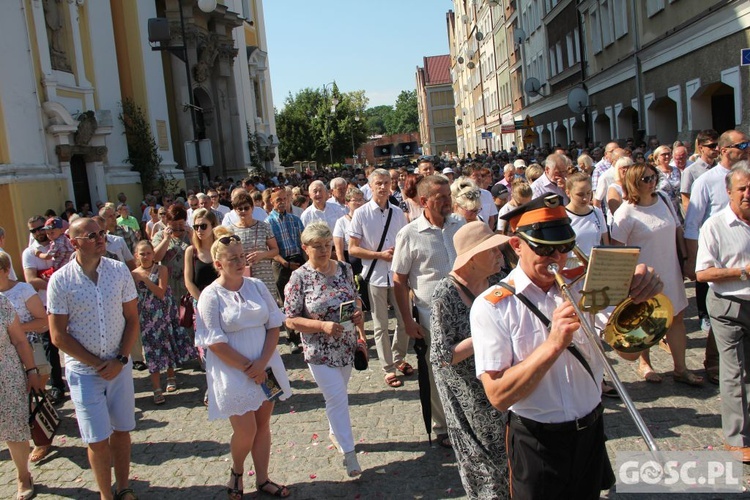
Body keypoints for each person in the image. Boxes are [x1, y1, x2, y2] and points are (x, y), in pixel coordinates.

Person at [471, 194, 663, 499]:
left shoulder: (584, 286)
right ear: (516, 245)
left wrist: (636, 297)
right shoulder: (492, 306)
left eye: (564, 247)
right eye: (544, 248)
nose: (556, 258)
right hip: (538, 441)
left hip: (590, 431)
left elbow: (628, 352)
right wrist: (554, 344)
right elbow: (498, 395)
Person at [47, 218, 140, 500]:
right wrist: (97, 364)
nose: (100, 239)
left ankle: (123, 487)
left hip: (119, 366)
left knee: (122, 431)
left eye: (101, 233)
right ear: (74, 242)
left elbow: (132, 319)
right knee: (97, 439)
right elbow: (58, 336)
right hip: (84, 372)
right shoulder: (60, 281)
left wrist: (120, 358)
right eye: (91, 235)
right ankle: (105, 495)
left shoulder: (118, 271)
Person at [196, 227, 291, 499]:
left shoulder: (257, 286)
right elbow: (213, 341)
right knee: (245, 429)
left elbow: (274, 325)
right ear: (218, 264)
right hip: (232, 371)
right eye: (232, 259)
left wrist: (262, 363)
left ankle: (263, 479)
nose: (240, 263)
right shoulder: (211, 296)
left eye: (241, 256)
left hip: (267, 365)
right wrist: (249, 368)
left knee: (263, 426)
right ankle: (237, 471)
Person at [430, 222, 509, 498]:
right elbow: (442, 355)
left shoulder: (502, 280)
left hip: (503, 383)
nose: (501, 254)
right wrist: (486, 333)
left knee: (512, 459)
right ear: (473, 258)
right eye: (493, 250)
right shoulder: (446, 293)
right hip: (469, 397)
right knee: (484, 468)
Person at [284, 222, 365, 477]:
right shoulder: (299, 278)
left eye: (327, 244)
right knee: (338, 398)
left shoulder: (344, 268)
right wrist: (321, 325)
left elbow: (355, 298)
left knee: (337, 396)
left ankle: (334, 431)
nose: (323, 250)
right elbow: (290, 319)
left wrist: (358, 313)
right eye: (317, 246)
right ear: (305, 248)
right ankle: (349, 454)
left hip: (346, 346)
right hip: (318, 351)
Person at [611, 163, 703, 386]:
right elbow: (617, 249)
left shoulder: (662, 198)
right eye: (646, 179)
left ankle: (680, 368)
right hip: (644, 276)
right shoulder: (625, 213)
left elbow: (677, 230)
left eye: (654, 177)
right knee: (645, 321)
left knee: (677, 317)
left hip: (670, 268)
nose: (652, 182)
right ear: (634, 183)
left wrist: (686, 260)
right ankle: (645, 364)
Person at [392, 175, 465, 447]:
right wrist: (408, 321)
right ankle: (442, 425)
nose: (449, 202)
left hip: (465, 310)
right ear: (424, 201)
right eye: (442, 198)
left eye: (449, 196)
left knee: (466, 364)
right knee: (437, 371)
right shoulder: (409, 234)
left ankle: (466, 414)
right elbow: (399, 281)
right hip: (430, 315)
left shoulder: (460, 225)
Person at [695, 162, 750, 462]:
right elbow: (702, 274)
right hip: (728, 305)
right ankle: (736, 438)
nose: (747, 194)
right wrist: (742, 272)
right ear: (729, 192)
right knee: (734, 371)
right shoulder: (714, 226)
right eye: (742, 188)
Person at [349, 168, 409, 388]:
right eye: (379, 184)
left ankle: (399, 358)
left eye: (386, 183)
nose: (383, 187)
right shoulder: (361, 213)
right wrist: (378, 255)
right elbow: (353, 249)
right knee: (381, 325)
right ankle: (388, 368)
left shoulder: (398, 212)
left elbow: (405, 242)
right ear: (371, 186)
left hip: (397, 274)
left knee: (404, 320)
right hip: (374, 275)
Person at [0, 251, 52, 465]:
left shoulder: (22, 289)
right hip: (6, 356)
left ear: (4, 270)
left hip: (31, 346)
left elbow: (44, 321)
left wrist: (14, 329)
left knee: (33, 399)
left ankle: (41, 440)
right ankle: (22, 440)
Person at [0, 289, 45, 500]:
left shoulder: (2, 302)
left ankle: (23, 476)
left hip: (6, 376)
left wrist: (32, 371)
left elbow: (19, 340)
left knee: (14, 429)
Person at [22, 215, 66, 405]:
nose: (39, 233)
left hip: (69, 302)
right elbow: (31, 279)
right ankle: (57, 386)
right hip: (46, 306)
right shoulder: (30, 252)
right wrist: (56, 285)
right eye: (34, 230)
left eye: (41, 228)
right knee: (51, 347)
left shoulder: (62, 243)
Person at [132, 240, 180, 404]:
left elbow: (160, 292)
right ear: (136, 255)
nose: (145, 256)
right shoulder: (133, 274)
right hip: (145, 317)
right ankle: (156, 388)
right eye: (142, 253)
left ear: (153, 254)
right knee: (150, 350)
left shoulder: (161, 269)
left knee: (167, 344)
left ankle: (171, 375)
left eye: (148, 253)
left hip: (162, 313)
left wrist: (145, 280)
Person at [152, 204, 199, 368]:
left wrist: (192, 235)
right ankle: (178, 354)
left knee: (192, 318)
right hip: (170, 284)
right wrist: (166, 239)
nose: (178, 227)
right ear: (167, 221)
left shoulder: (190, 234)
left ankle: (196, 352)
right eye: (175, 224)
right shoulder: (160, 235)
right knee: (173, 320)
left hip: (188, 283)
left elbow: (200, 253)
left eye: (181, 223)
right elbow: (155, 257)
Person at [225, 190, 280, 303]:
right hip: (242, 276)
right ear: (235, 210)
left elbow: (275, 250)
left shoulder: (264, 226)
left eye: (246, 208)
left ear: (252, 208)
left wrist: (262, 255)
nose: (243, 211)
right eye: (240, 209)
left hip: (264, 276)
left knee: (269, 309)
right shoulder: (230, 231)